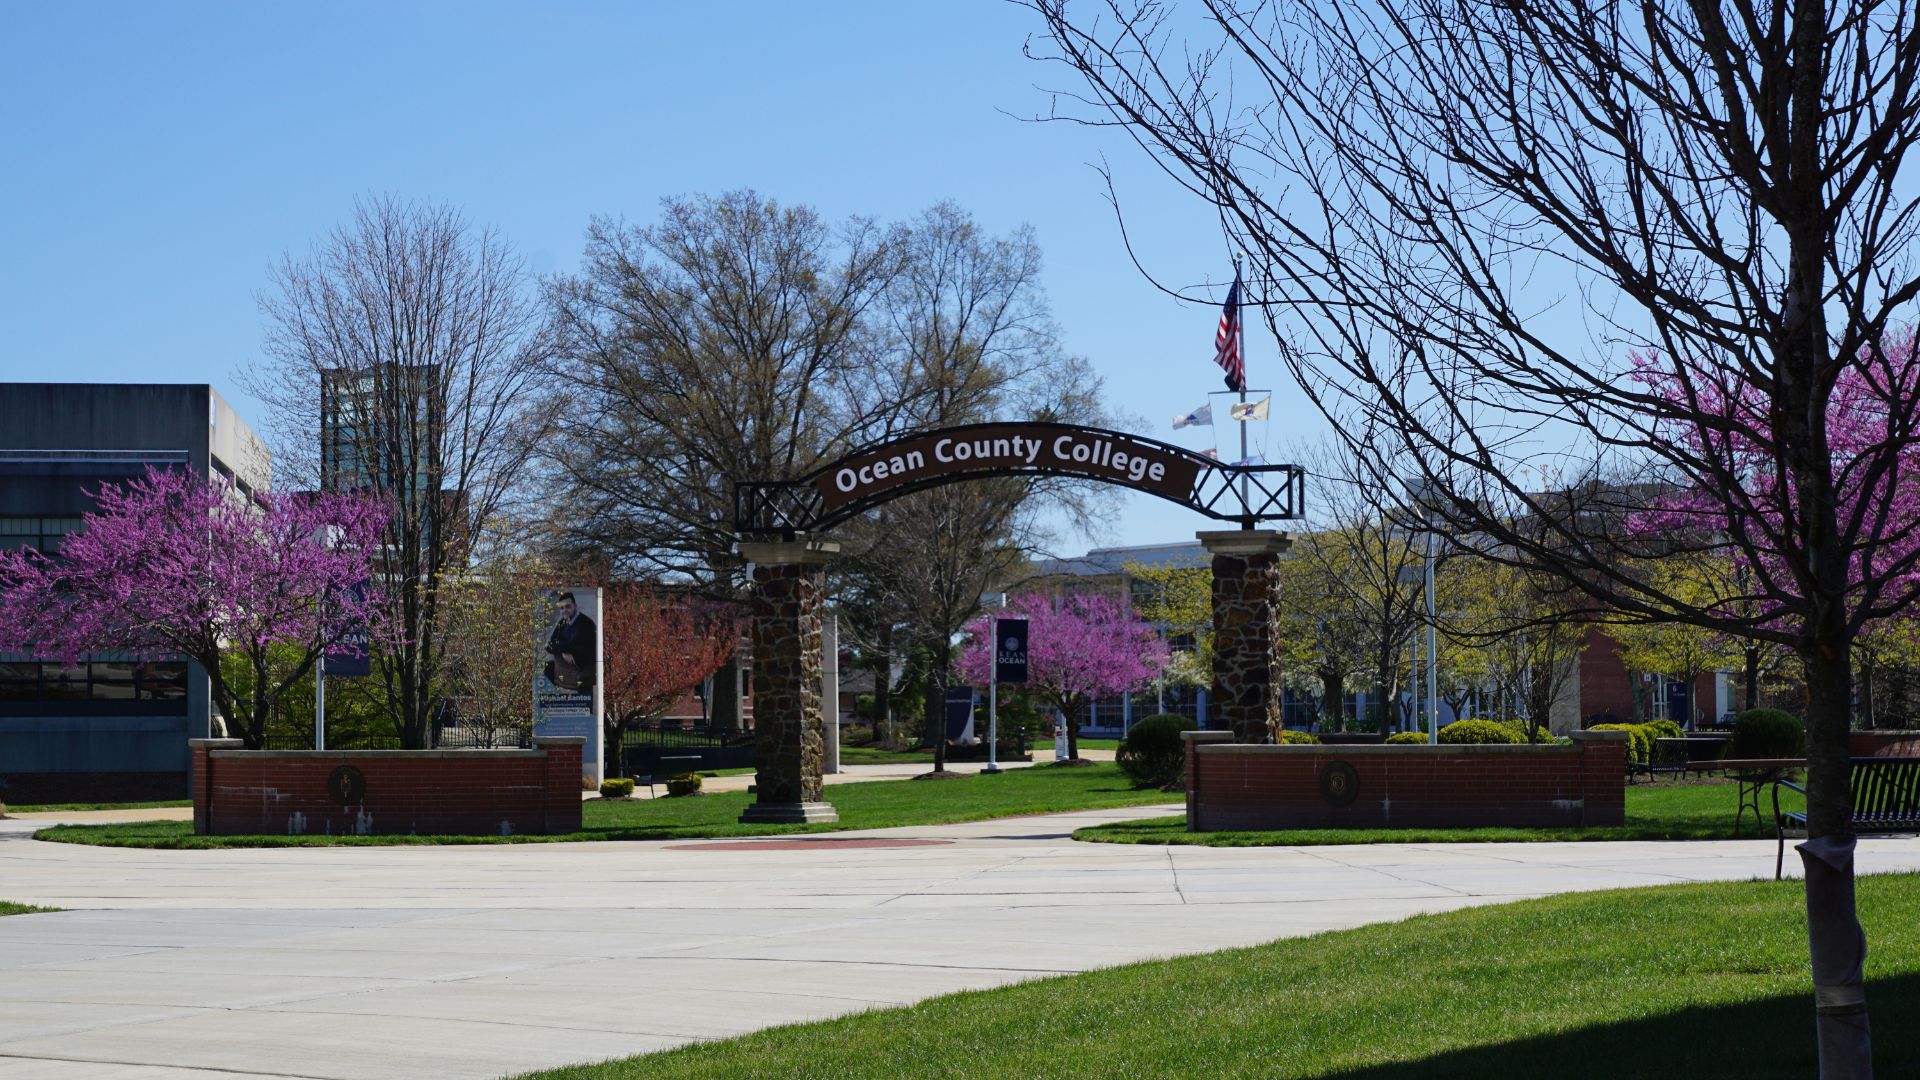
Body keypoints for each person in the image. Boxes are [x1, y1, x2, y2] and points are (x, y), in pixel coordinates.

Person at [544, 591, 598, 693]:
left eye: (568, 607)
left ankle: (585, 707)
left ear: (575, 606)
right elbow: (549, 645)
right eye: (562, 608)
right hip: (567, 663)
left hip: (586, 664)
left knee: (583, 679)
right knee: (546, 668)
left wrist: (561, 646)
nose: (564, 610)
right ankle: (562, 698)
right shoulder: (562, 623)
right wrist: (563, 652)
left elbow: (573, 645)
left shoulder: (586, 623)